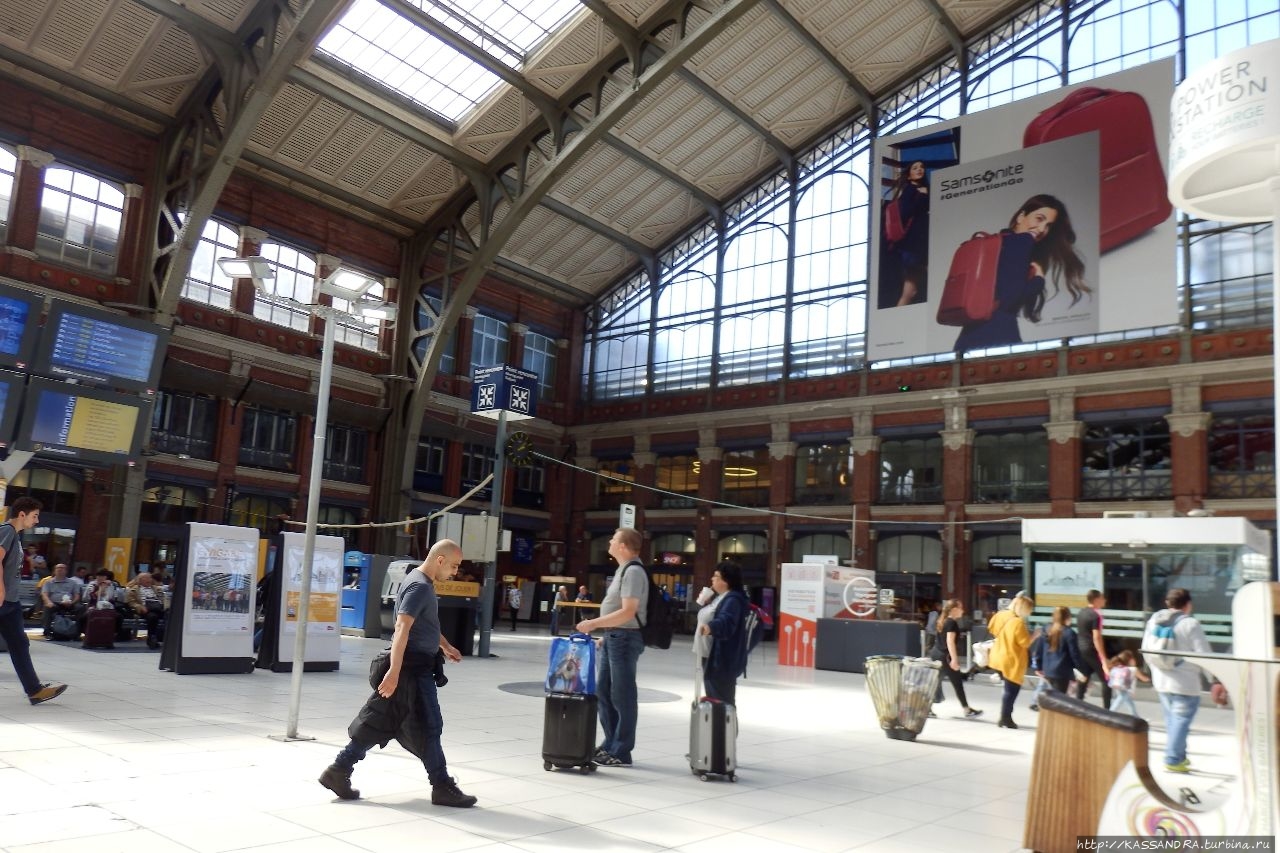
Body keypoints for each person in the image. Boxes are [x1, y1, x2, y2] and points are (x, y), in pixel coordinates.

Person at [320, 540, 476, 807]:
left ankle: (339, 770)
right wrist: (394, 671)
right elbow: (402, 628)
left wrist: (445, 646)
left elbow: (423, 625)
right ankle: (441, 786)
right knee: (428, 726)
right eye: (453, 566)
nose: (454, 572)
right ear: (440, 560)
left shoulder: (419, 581)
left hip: (414, 667)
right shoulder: (420, 586)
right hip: (411, 669)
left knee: (379, 720)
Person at [953, 194, 1089, 353]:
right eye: (1039, 219)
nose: (1041, 229)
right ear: (1021, 216)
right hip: (998, 336)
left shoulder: (998, 242)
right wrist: (1038, 281)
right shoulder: (1021, 242)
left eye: (1048, 226)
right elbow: (1009, 299)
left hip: (967, 338)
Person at [576, 527, 648, 768]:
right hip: (615, 637)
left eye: (614, 540)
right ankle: (610, 743)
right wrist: (605, 634)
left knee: (622, 694)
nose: (610, 542)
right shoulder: (623, 569)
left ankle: (622, 750)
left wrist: (594, 624)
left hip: (625, 639)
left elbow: (628, 611)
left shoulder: (633, 571)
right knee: (605, 692)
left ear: (623, 546)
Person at [1142, 588, 1228, 773]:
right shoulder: (1190, 624)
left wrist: (1156, 670)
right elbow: (1204, 655)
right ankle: (1173, 759)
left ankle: (1180, 757)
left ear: (1168, 603)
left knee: (1173, 721)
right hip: (1184, 683)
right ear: (1188, 604)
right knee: (1180, 721)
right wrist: (1214, 680)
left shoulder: (1155, 619)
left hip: (1162, 680)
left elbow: (1146, 649)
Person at [0, 497, 68, 705]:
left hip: (10, 602)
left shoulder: (14, 535)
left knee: (20, 643)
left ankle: (35, 690)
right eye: (35, 516)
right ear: (22, 514)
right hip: (3, 600)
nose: (37, 520)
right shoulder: (7, 531)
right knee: (18, 644)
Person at [695, 563, 749, 706]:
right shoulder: (722, 598)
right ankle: (719, 721)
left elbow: (727, 620)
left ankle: (724, 722)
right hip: (712, 657)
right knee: (716, 701)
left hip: (721, 661)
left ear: (726, 581)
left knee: (722, 702)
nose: (712, 579)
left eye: (716, 576)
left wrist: (711, 627)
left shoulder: (732, 600)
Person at [988, 593, 1041, 729]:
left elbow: (991, 629)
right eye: (1029, 610)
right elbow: (1025, 643)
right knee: (1011, 691)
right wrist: (1035, 635)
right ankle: (1005, 718)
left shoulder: (1001, 615)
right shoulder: (1018, 622)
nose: (1029, 613)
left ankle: (1004, 717)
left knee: (1008, 689)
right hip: (1012, 659)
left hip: (998, 656)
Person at [881, 160, 930, 308]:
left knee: (910, 291)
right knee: (915, 286)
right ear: (908, 175)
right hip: (915, 244)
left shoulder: (923, 189)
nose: (920, 169)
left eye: (922, 167)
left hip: (918, 243)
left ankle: (897, 316)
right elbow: (905, 212)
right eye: (915, 168)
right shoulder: (911, 190)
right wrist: (923, 196)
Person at [930, 599, 982, 718]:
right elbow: (950, 641)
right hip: (945, 657)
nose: (962, 610)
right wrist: (954, 659)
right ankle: (967, 710)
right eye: (960, 608)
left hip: (936, 654)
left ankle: (926, 708)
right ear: (954, 610)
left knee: (935, 682)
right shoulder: (951, 623)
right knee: (956, 683)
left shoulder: (942, 620)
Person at [1030, 606, 1087, 696]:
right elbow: (1074, 654)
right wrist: (1081, 669)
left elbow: (1039, 649)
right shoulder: (1069, 633)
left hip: (1047, 669)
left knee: (1049, 697)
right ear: (1068, 617)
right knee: (1058, 698)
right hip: (1062, 671)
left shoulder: (1046, 629)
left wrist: (1038, 666)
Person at [1073, 589, 1112, 708]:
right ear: (1096, 600)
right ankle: (1106, 710)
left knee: (1084, 677)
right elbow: (1097, 638)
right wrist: (1103, 659)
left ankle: (1077, 705)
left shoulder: (1081, 612)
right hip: (1092, 649)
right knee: (1106, 678)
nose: (1104, 600)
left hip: (1081, 648)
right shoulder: (1097, 615)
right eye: (1102, 598)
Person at [126, 572, 167, 649]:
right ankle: (151, 637)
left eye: (150, 578)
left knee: (169, 614)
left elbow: (163, 599)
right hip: (145, 609)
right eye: (146, 578)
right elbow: (131, 602)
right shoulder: (133, 590)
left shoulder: (157, 589)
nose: (149, 580)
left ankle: (167, 637)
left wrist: (163, 605)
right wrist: (140, 607)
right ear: (140, 580)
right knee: (152, 616)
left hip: (158, 608)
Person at [40, 563, 82, 639]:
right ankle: (47, 631)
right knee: (47, 608)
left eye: (62, 568)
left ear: (66, 571)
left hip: (70, 603)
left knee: (80, 608)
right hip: (55, 603)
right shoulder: (48, 582)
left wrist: (72, 602)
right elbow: (44, 594)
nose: (60, 570)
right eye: (58, 568)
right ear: (54, 571)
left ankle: (77, 632)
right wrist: (48, 602)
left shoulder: (73, 582)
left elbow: (77, 596)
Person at [1107, 649, 1149, 717]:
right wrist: (1148, 679)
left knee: (1129, 702)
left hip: (1118, 686)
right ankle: (1110, 713)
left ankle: (1135, 716)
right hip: (1126, 688)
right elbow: (1143, 678)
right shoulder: (1133, 669)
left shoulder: (1118, 668)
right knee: (1120, 700)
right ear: (1130, 660)